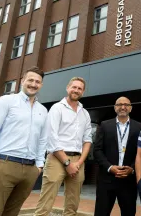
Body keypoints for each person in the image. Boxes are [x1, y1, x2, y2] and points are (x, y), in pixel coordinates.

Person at [0, 66, 48, 216]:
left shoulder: (43, 110)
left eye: (37, 81)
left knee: (12, 213)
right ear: (22, 81)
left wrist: (39, 165)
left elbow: (43, 140)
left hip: (30, 169)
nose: (33, 84)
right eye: (30, 80)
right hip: (4, 165)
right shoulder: (6, 101)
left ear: (41, 85)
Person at [34, 77, 92, 216]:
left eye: (79, 88)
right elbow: (52, 138)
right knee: (45, 203)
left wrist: (79, 162)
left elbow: (88, 140)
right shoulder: (57, 108)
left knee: (72, 205)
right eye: (74, 87)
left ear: (83, 92)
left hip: (78, 160)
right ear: (68, 88)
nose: (76, 90)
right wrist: (67, 163)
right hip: (57, 158)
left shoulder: (85, 113)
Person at [93, 96, 141, 216]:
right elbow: (97, 150)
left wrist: (132, 169)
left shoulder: (139, 127)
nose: (123, 107)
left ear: (130, 108)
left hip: (128, 180)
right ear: (115, 108)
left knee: (129, 213)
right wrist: (110, 167)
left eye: (126, 104)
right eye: (119, 104)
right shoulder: (104, 125)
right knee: (101, 212)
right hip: (107, 179)